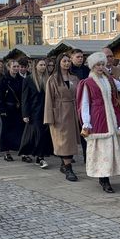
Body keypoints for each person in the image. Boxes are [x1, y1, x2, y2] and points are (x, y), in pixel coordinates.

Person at [77, 52, 120, 193]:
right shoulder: (87, 83)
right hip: (98, 117)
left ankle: (107, 174)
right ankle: (104, 179)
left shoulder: (110, 80)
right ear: (92, 66)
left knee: (111, 148)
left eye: (102, 64)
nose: (101, 67)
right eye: (98, 65)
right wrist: (86, 122)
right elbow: (85, 104)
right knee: (101, 149)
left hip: (112, 117)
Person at [44, 53, 81, 181]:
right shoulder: (53, 79)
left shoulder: (74, 78)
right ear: (59, 63)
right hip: (59, 112)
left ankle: (64, 164)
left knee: (70, 140)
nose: (67, 63)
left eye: (68, 61)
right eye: (64, 61)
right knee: (63, 141)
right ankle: (68, 168)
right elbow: (49, 99)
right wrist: (49, 117)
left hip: (72, 111)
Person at [19, 59, 53, 168]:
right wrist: (25, 114)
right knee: (38, 133)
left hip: (46, 110)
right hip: (34, 111)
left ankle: (38, 155)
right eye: (41, 65)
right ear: (36, 66)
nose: (43, 67)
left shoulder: (48, 79)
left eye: (45, 65)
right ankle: (40, 158)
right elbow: (25, 98)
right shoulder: (29, 80)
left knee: (42, 134)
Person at [0, 60, 26, 162]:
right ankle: (7, 152)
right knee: (6, 131)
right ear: (9, 67)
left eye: (17, 66)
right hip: (7, 109)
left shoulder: (21, 80)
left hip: (18, 109)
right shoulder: (4, 79)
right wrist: (2, 110)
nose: (16, 68)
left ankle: (23, 152)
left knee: (20, 131)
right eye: (14, 66)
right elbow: (0, 96)